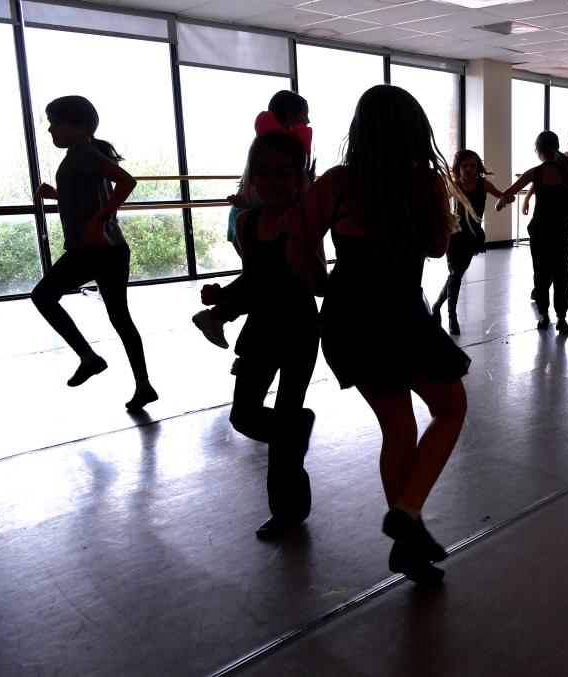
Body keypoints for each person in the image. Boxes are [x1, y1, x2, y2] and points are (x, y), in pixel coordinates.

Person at [291, 84, 470, 584]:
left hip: (349, 319)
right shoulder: (425, 185)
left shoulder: (337, 184)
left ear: (360, 131)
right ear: (416, 134)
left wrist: (322, 286)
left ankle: (408, 537)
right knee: (450, 408)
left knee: (399, 428)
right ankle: (407, 514)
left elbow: (298, 243)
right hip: (401, 316)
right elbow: (437, 249)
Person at [200, 131, 320, 539]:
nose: (273, 182)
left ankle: (287, 511)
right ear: (252, 177)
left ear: (298, 178)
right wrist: (222, 295)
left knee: (284, 418)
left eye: (283, 174)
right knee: (244, 415)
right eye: (264, 173)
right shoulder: (248, 222)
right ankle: (295, 430)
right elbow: (253, 279)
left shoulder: (304, 221)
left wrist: (301, 241)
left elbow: (318, 283)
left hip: (300, 330)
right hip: (262, 330)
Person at [31, 95, 157, 411]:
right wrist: (56, 195)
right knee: (120, 318)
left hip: (91, 250)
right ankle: (144, 386)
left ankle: (88, 358)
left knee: (42, 296)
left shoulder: (82, 152)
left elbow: (127, 182)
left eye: (55, 122)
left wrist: (101, 219)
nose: (50, 130)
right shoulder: (85, 153)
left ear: (80, 128)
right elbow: (85, 198)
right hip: (113, 249)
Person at [192, 90, 313, 352]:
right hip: (257, 223)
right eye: (305, 114)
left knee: (268, 278)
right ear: (292, 115)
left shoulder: (265, 147)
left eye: (283, 175)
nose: (309, 120)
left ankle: (222, 317)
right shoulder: (283, 154)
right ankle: (220, 316)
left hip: (250, 221)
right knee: (269, 278)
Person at [496, 131, 568, 333]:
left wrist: (500, 203)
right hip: (560, 231)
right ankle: (562, 318)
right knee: (561, 274)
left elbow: (509, 192)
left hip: (540, 231)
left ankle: (544, 315)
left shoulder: (534, 172)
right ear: (557, 149)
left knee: (540, 274)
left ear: (537, 150)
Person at [431, 150, 503, 335]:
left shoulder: (483, 184)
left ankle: (437, 305)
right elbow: (439, 206)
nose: (469, 169)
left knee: (456, 275)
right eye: (465, 166)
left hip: (473, 237)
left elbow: (503, 195)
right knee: (455, 276)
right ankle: (451, 316)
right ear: (458, 168)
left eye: (473, 165)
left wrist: (501, 202)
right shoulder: (454, 186)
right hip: (455, 236)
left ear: (478, 167)